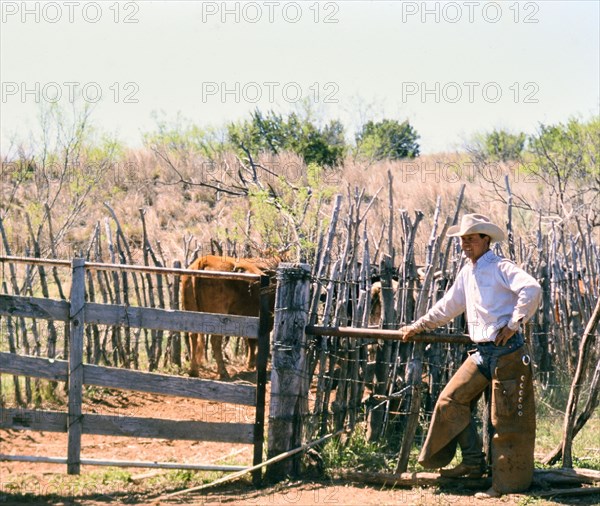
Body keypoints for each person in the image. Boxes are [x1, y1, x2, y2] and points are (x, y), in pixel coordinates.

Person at [400, 213, 541, 499]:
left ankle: (506, 486)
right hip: (483, 352)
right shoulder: (468, 272)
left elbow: (532, 288)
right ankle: (473, 462)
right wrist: (420, 325)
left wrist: (514, 323)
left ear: (485, 240)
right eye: (462, 240)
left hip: (508, 354)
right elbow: (449, 305)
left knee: (508, 421)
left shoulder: (501, 266)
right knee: (450, 401)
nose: (465, 244)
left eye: (471, 239)